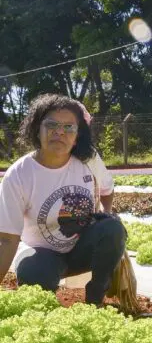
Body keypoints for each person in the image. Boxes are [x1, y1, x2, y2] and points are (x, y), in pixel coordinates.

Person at [0, 93, 126, 305]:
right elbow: (7, 239)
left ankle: (96, 295)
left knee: (113, 228)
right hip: (41, 254)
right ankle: (46, 305)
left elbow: (107, 188)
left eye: (69, 127)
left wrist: (107, 212)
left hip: (81, 250)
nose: (59, 132)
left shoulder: (89, 160)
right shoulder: (20, 174)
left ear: (77, 136)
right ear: (37, 130)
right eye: (51, 124)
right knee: (34, 272)